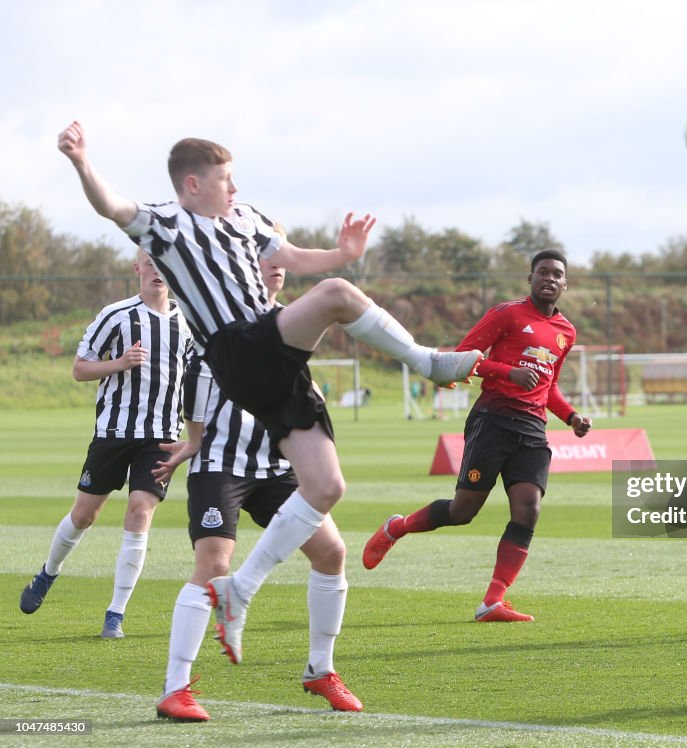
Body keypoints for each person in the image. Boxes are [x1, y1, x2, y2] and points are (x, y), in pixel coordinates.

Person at [57, 121, 482, 670]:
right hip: (237, 347)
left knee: (327, 486)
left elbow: (298, 258)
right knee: (335, 296)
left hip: (274, 359)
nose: (233, 188)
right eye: (224, 179)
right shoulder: (165, 223)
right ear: (192, 185)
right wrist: (82, 162)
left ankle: (246, 592)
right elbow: (110, 206)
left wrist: (343, 250)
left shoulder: (248, 217)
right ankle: (428, 362)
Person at [154, 258, 359, 722]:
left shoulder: (293, 322)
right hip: (221, 465)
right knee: (213, 564)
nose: (277, 270)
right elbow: (195, 389)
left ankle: (320, 670)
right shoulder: (221, 327)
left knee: (331, 553)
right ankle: (176, 688)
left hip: (277, 465)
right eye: (266, 262)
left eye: (282, 263)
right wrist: (193, 443)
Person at [362, 249, 592, 622]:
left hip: (533, 429)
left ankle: (492, 601)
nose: (549, 279)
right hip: (494, 419)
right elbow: (463, 356)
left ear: (565, 284)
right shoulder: (508, 314)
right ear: (530, 279)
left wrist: (571, 416)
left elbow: (548, 385)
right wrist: (507, 372)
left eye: (557, 274)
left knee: (528, 509)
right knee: (462, 511)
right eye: (543, 272)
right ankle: (397, 527)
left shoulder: (567, 332)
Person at [19, 250, 192, 638]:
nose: (157, 272)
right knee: (84, 515)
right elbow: (79, 368)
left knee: (139, 512)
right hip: (113, 434)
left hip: (161, 438)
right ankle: (48, 573)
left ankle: (115, 613)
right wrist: (120, 363)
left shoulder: (188, 324)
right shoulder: (116, 315)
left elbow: (196, 379)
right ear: (137, 269)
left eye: (164, 266)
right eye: (149, 263)